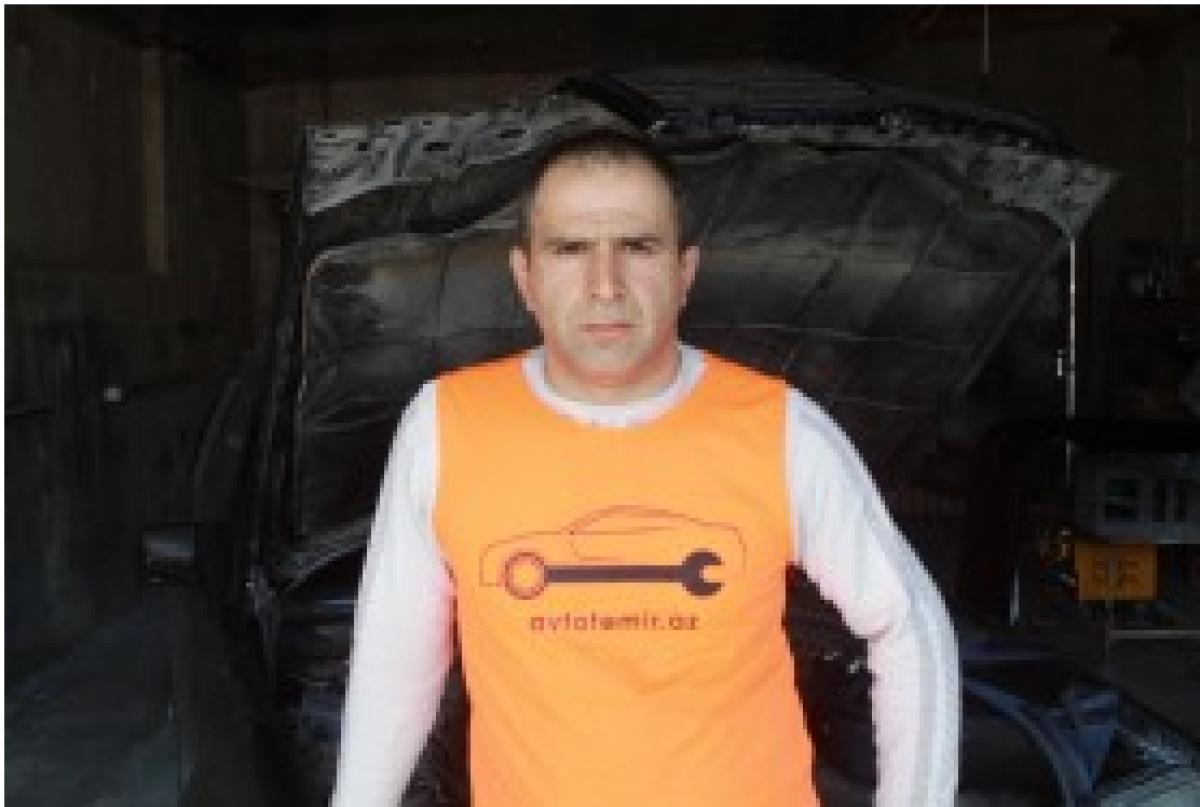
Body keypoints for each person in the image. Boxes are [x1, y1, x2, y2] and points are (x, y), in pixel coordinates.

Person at [330, 128, 959, 806]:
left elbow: (910, 624)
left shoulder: (782, 430)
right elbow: (395, 655)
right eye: (571, 249)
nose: (605, 285)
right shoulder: (444, 427)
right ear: (525, 278)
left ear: (684, 274)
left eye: (637, 246)